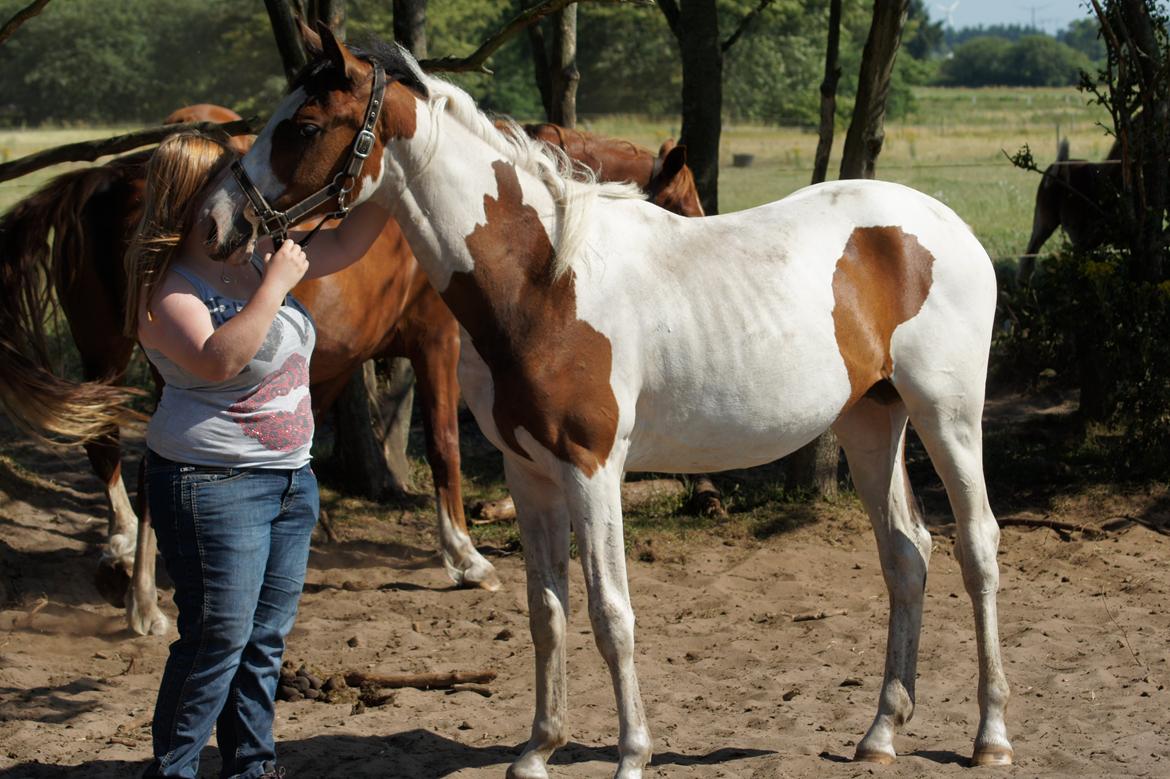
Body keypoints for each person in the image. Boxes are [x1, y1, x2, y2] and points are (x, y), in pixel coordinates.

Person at [125, 131, 388, 779]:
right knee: (217, 641)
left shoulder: (254, 257)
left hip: (289, 484)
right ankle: (174, 769)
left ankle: (252, 766)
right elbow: (220, 360)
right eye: (225, 184)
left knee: (262, 642)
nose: (242, 198)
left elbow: (352, 239)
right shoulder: (166, 291)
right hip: (210, 483)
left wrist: (401, 176)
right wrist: (274, 284)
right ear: (188, 198)